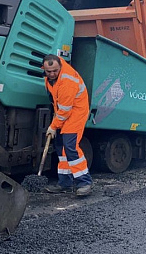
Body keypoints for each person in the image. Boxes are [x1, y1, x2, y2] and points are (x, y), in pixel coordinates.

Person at [42, 54, 93, 197]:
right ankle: (65, 183)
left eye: (55, 71)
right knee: (61, 147)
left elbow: (65, 110)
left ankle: (85, 182)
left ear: (60, 67)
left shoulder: (67, 81)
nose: (52, 74)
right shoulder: (49, 78)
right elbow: (57, 101)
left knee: (71, 147)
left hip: (76, 113)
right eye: (48, 71)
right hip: (63, 112)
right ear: (44, 68)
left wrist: (53, 126)